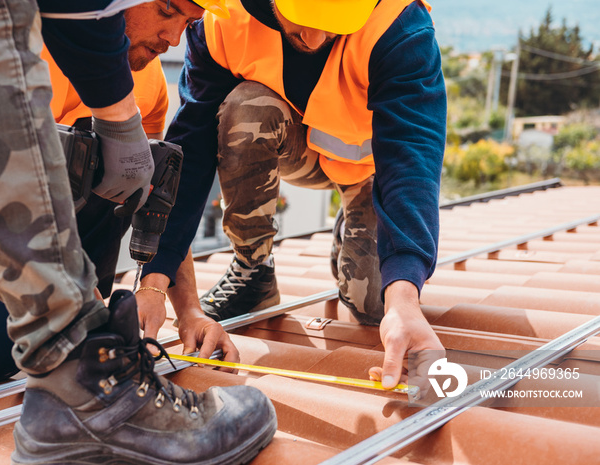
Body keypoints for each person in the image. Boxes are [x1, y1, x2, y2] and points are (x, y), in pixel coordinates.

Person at [0, 1, 276, 464]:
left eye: (189, 25)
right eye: (166, 11)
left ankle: (74, 359)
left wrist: (188, 310)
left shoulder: (148, 82)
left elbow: (155, 198)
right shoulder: (15, 41)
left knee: (118, 182)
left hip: (39, 217)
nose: (174, 39)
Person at [140, 0, 448, 390]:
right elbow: (190, 155)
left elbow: (412, 157)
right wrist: (155, 277)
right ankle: (253, 271)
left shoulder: (399, 25)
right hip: (297, 149)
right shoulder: (223, 21)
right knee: (245, 107)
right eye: (302, 22)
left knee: (373, 308)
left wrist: (404, 299)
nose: (315, 38)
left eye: (333, 26)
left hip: (371, 171)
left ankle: (358, 217)